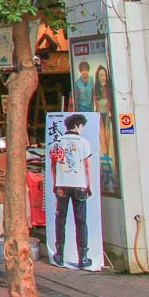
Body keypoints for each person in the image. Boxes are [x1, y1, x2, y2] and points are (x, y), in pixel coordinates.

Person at [51, 114, 93, 269]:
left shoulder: (58, 142)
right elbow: (87, 166)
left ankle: (59, 255)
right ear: (76, 126)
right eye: (81, 126)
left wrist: (55, 184)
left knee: (60, 220)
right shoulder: (84, 143)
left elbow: (53, 166)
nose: (81, 129)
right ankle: (83, 258)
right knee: (81, 222)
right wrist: (89, 185)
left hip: (62, 185)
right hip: (79, 185)